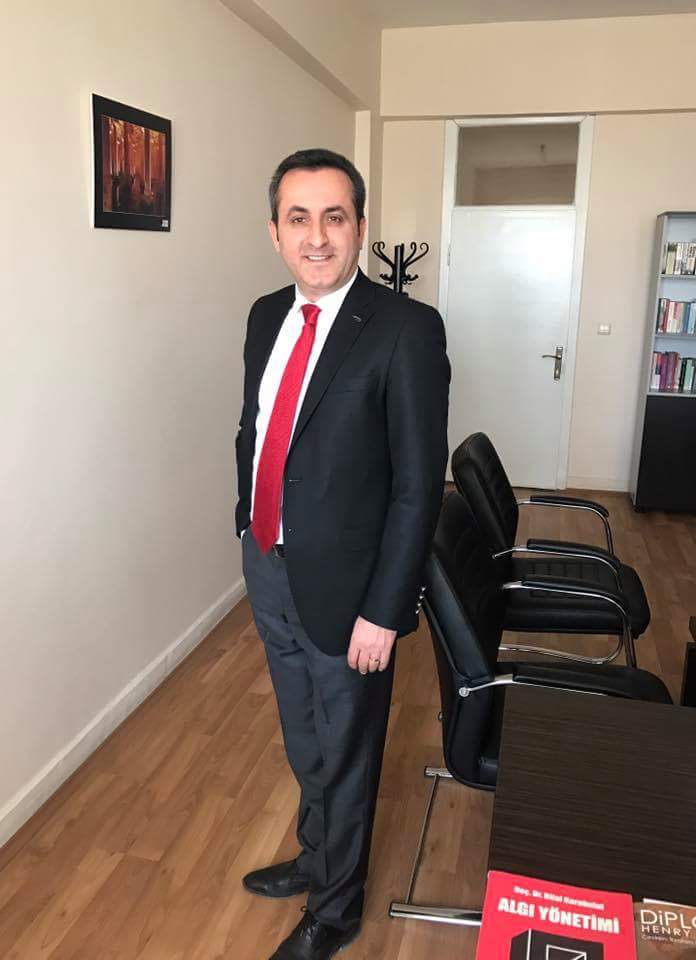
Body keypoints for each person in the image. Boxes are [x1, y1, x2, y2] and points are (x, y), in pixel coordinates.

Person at [235, 148, 450, 960]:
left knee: (348, 751)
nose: (317, 237)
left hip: (353, 591)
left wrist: (385, 612)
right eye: (299, 218)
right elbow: (257, 428)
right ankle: (316, 855)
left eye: (335, 217)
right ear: (275, 231)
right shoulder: (265, 315)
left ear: (360, 226)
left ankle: (335, 910)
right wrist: (247, 523)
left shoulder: (405, 329)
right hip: (269, 564)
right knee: (303, 735)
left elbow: (417, 488)